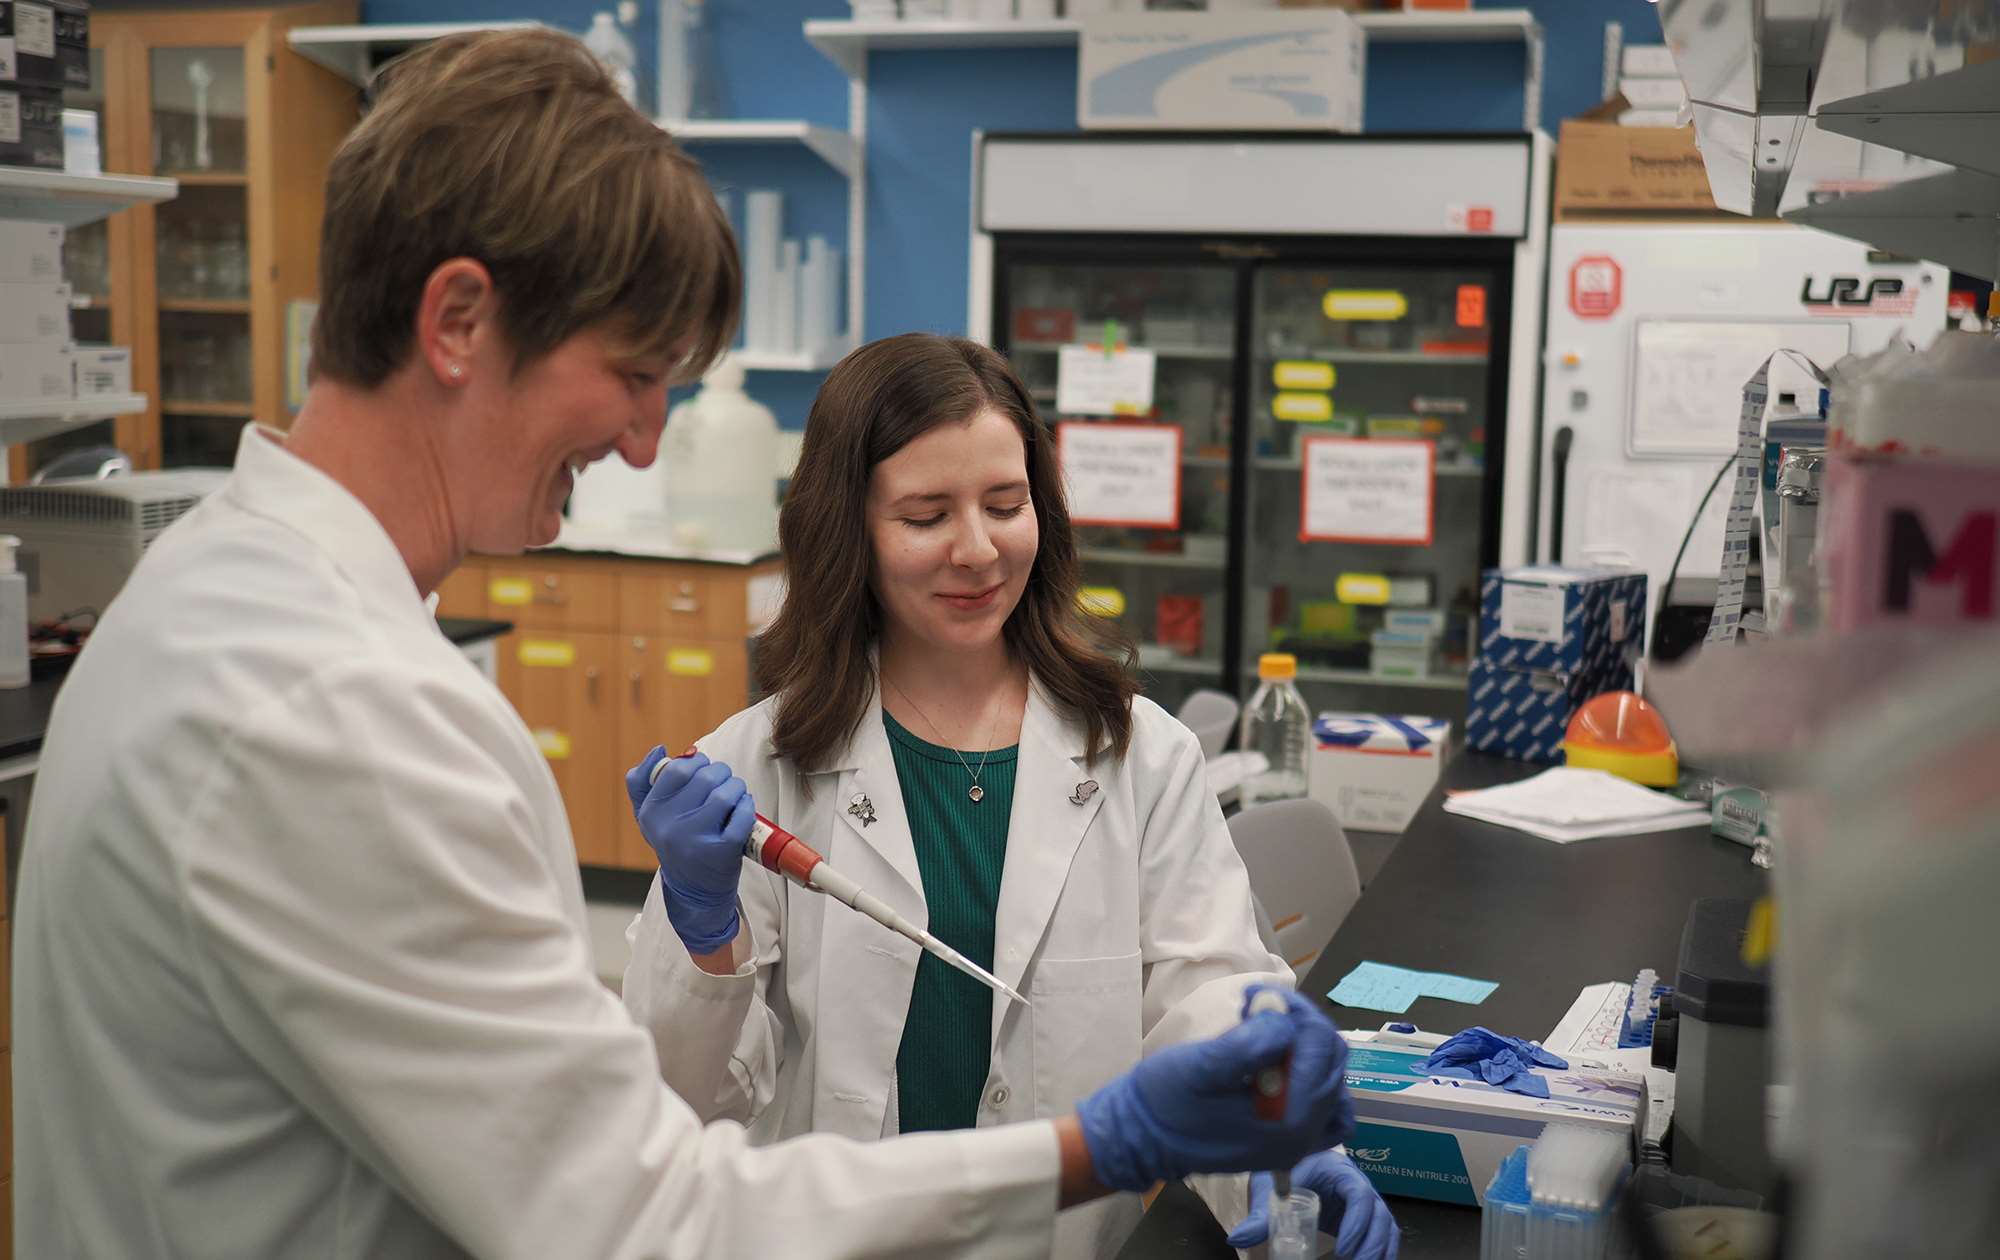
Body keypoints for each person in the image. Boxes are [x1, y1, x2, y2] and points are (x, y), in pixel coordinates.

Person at [10, 32, 1356, 1259]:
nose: (647, 440)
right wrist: (1104, 1144)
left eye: (1003, 506)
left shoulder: (214, 592)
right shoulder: (330, 704)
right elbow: (640, 1211)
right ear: (459, 320)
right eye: (636, 372)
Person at [620, 333, 1400, 1260]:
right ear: (848, 531)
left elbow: (1206, 992)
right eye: (925, 515)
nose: (979, 550)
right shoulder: (761, 766)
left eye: (1006, 504)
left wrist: (1283, 1150)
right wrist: (701, 932)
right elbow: (681, 1112)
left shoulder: (1139, 754)